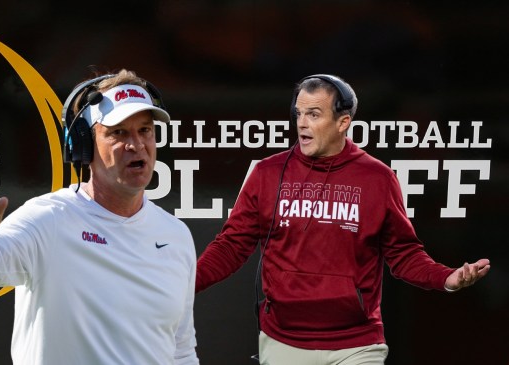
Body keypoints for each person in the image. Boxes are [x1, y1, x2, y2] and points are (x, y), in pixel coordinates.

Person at [195, 74, 490, 364]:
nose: (301, 123)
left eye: (313, 114)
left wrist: (445, 278)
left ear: (342, 122)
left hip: (357, 345)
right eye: (298, 113)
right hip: (284, 340)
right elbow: (231, 246)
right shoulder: (268, 174)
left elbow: (404, 253)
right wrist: (185, 282)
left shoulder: (377, 178)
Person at [0, 69, 199, 365]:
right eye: (118, 132)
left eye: (145, 130)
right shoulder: (48, 219)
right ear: (84, 144)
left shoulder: (176, 235)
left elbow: (181, 352)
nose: (136, 145)